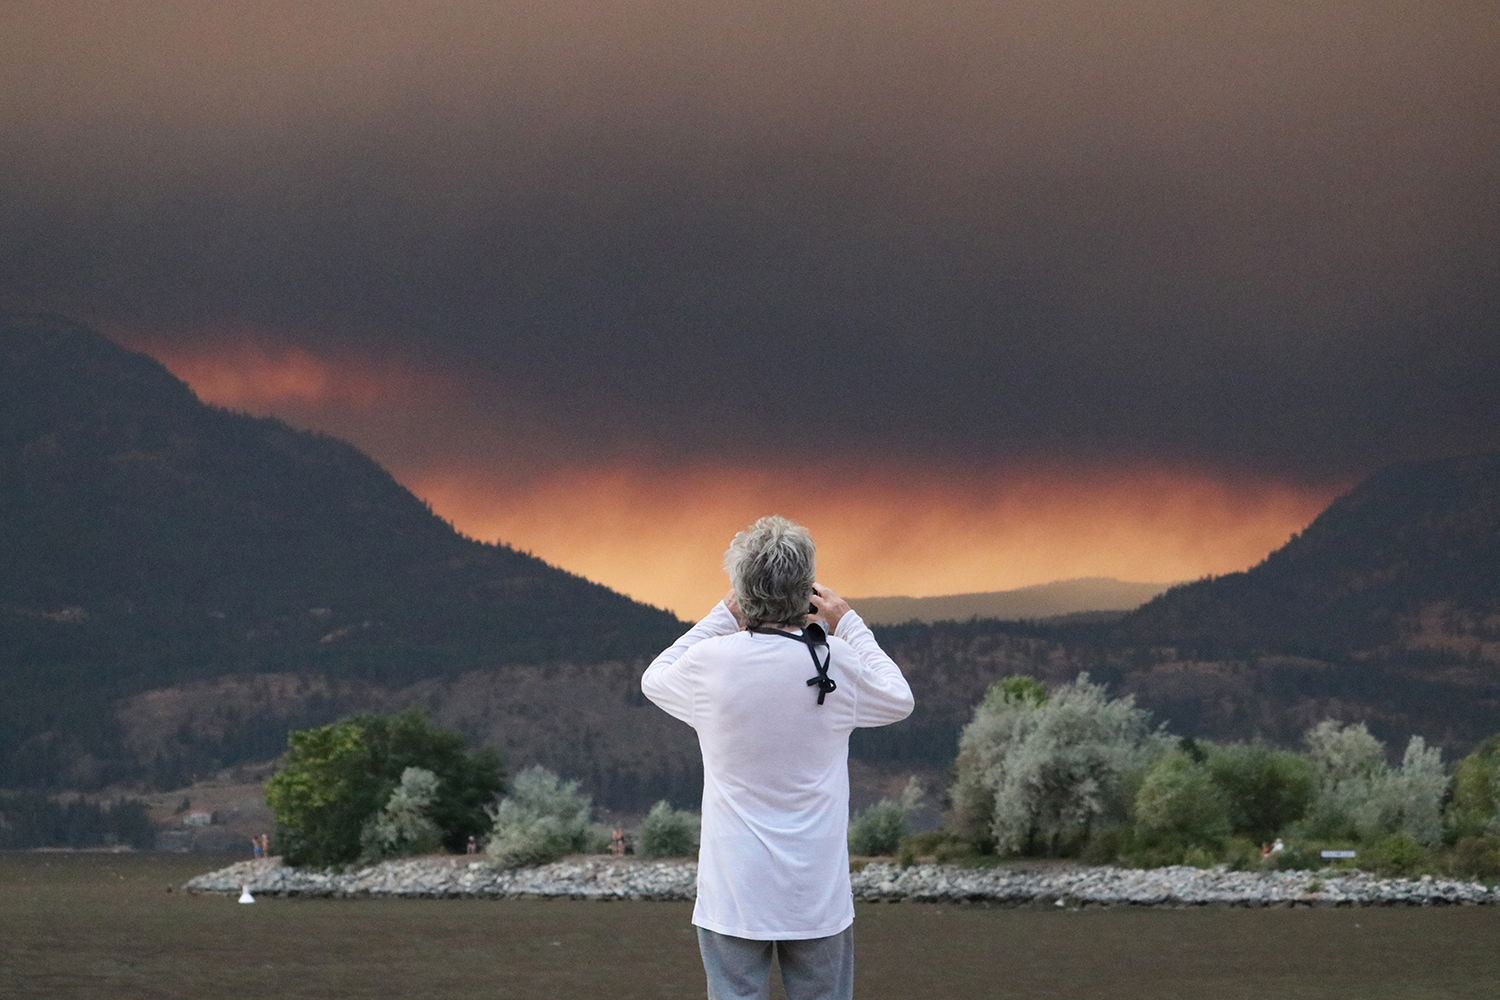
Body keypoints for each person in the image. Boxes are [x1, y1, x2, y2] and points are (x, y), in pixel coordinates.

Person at [642, 515, 914, 1000]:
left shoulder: (709, 665)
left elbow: (654, 676)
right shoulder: (836, 661)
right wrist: (848, 622)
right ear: (807, 589)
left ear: (742, 588)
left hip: (733, 893)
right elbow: (899, 698)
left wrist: (723, 615)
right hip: (816, 895)